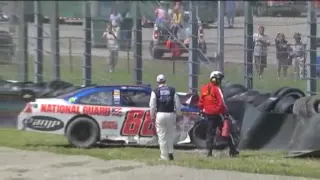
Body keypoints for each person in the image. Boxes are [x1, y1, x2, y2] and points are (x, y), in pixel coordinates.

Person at [198, 71, 239, 157]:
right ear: (213, 78)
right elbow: (222, 103)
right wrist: (225, 113)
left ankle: (209, 152)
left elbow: (201, 102)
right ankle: (232, 150)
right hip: (218, 114)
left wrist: (201, 110)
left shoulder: (204, 88)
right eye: (218, 79)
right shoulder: (217, 89)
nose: (219, 81)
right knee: (226, 131)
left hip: (208, 114)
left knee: (210, 133)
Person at [149, 74, 182, 161]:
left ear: (157, 82)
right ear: (165, 81)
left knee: (162, 136)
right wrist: (178, 114)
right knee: (170, 135)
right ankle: (171, 152)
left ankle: (164, 156)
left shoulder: (155, 91)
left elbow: (152, 105)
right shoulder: (172, 90)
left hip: (160, 114)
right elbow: (177, 104)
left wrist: (152, 115)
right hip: (171, 114)